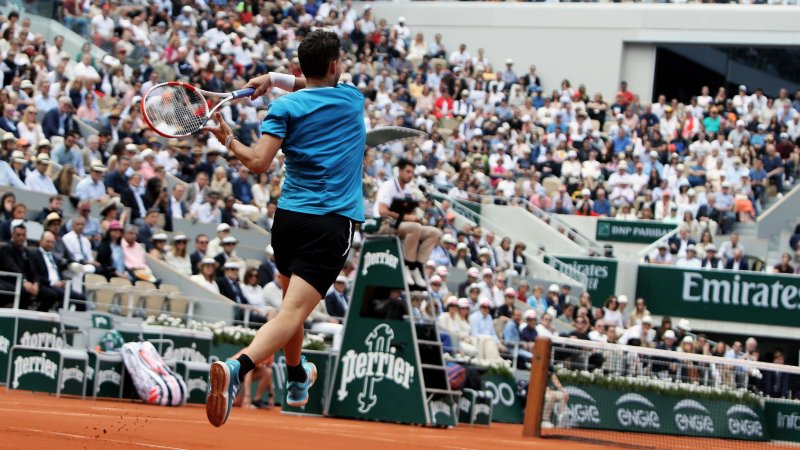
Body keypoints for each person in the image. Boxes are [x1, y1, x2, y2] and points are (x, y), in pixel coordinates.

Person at [203, 30, 365, 427]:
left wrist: (229, 140)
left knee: (290, 308)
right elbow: (316, 85)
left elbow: (258, 162)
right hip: (331, 222)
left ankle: (295, 377)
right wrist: (275, 78)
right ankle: (238, 366)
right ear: (334, 65)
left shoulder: (284, 108)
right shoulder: (351, 99)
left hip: (288, 220)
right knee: (293, 312)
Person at [374, 158, 442, 291]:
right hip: (384, 225)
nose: (410, 175)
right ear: (399, 171)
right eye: (408, 171)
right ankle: (407, 266)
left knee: (434, 232)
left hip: (400, 225)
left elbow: (406, 214)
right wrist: (406, 217)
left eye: (412, 172)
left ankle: (417, 267)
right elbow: (382, 211)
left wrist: (415, 217)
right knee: (415, 228)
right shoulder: (388, 186)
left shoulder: (407, 190)